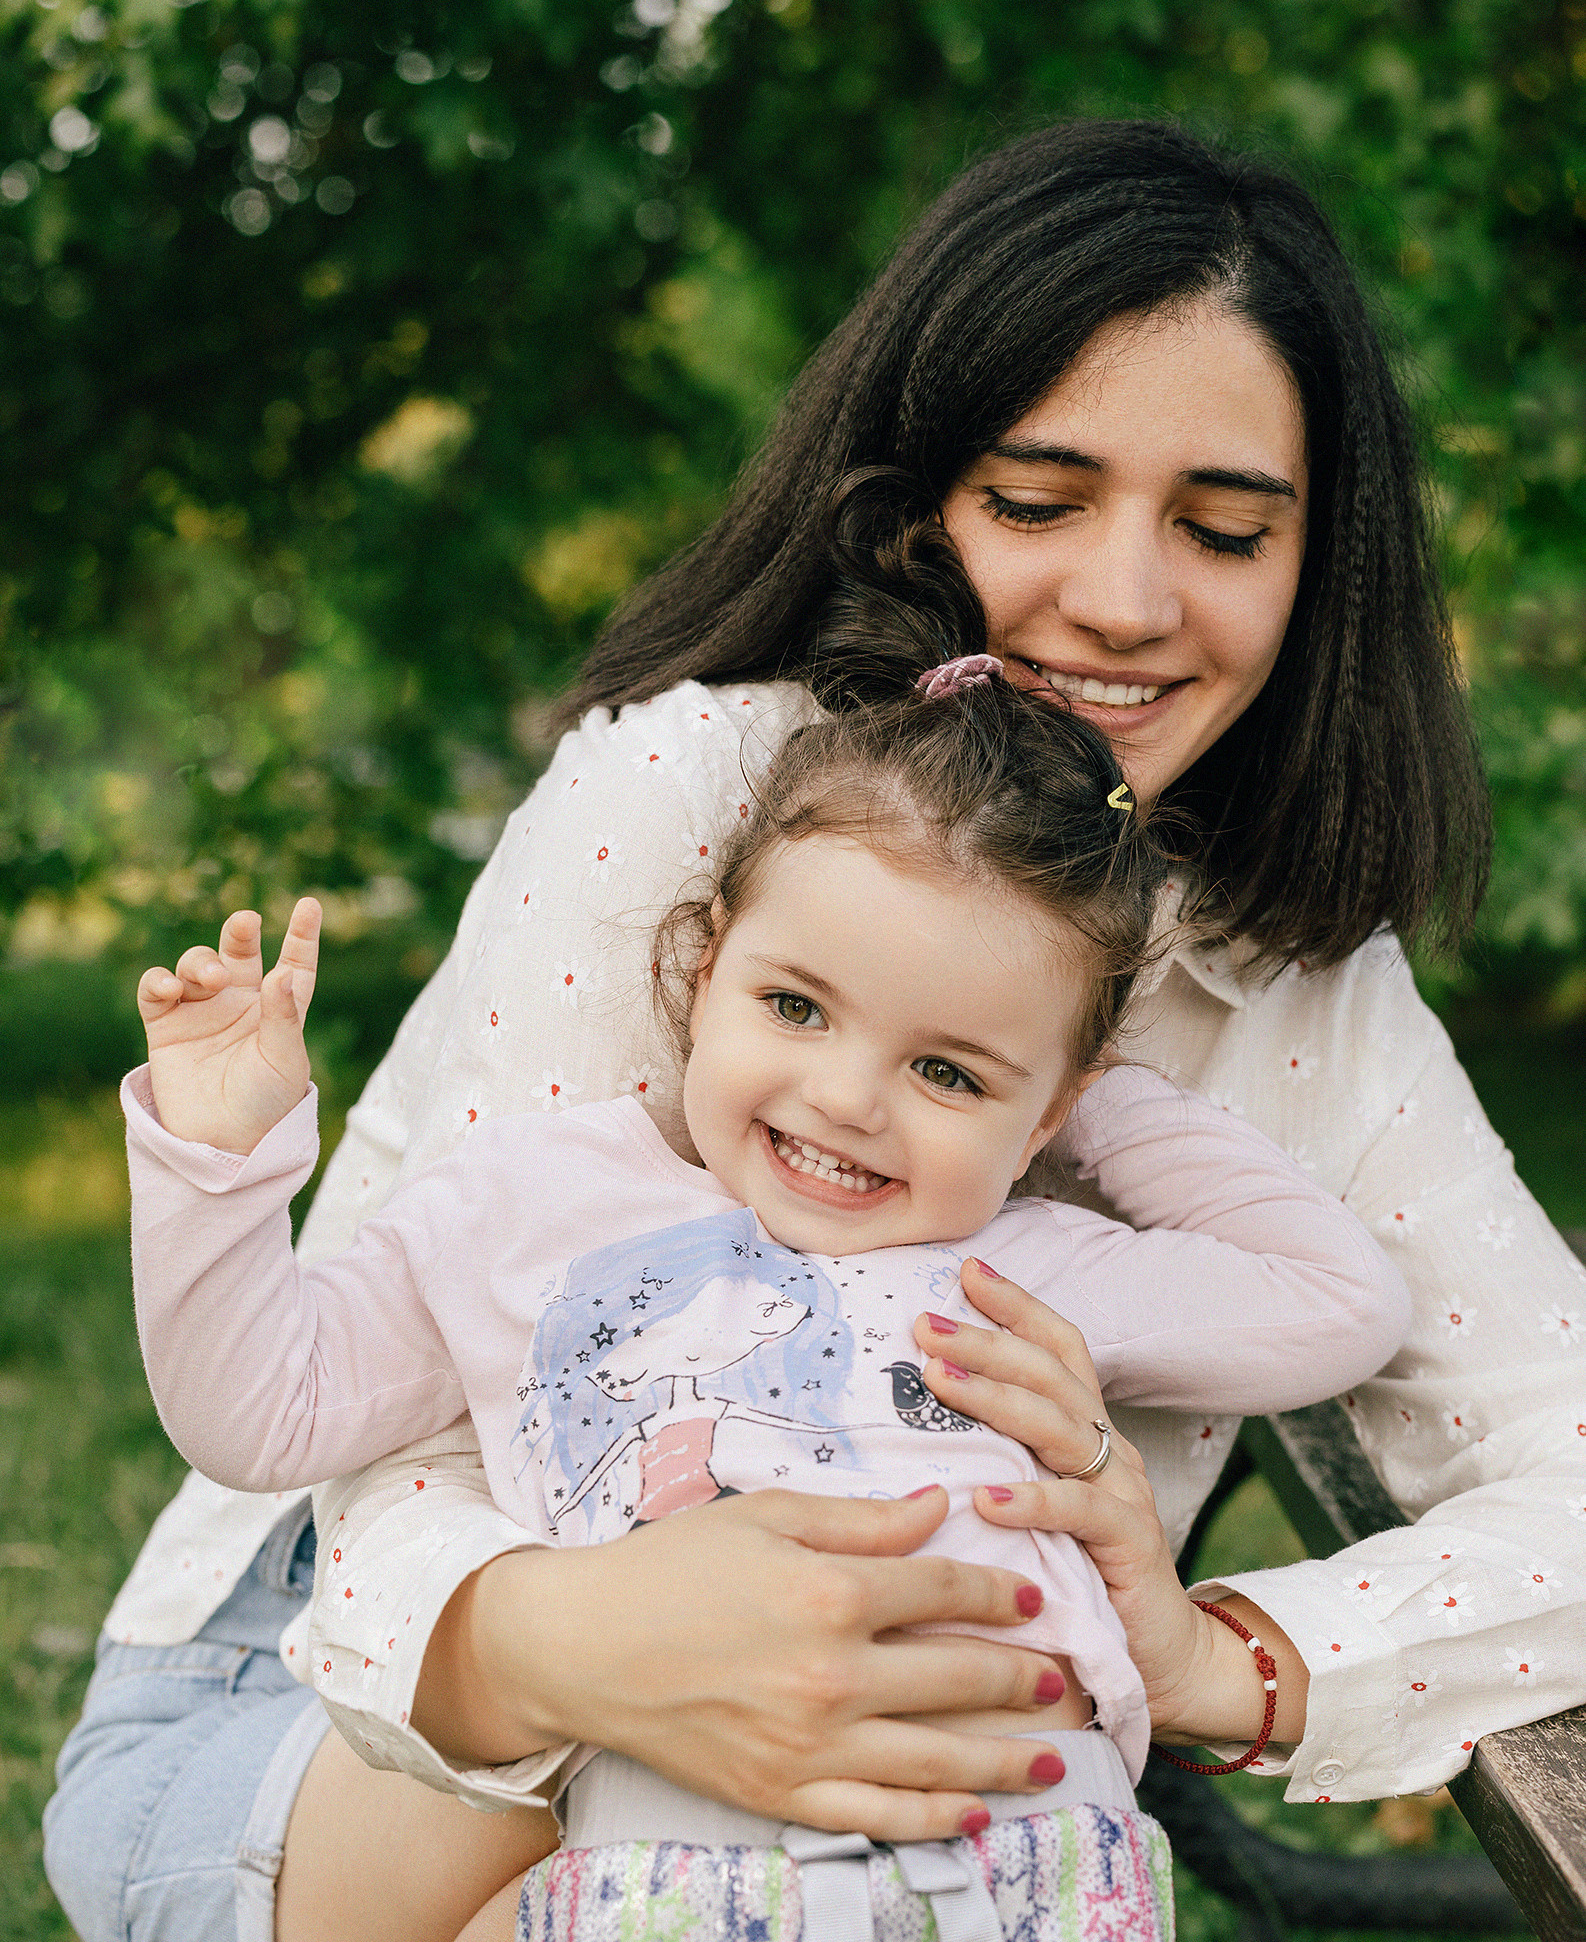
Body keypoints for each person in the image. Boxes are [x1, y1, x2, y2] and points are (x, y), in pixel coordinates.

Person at [44, 118, 1586, 1942]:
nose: (1122, 598)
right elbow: (395, 1447)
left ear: (1313, 565)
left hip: (911, 1813)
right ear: (914, 497)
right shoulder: (701, 795)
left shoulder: (1299, 976)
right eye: (1034, 500)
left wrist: (1219, 1659)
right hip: (346, 1719)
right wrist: (608, 1648)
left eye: (1224, 527)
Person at [120, 613, 1410, 1942]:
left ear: (1038, 1118)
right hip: (670, 1871)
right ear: (702, 960)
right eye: (794, 1007)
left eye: (948, 1070)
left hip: (1038, 1873)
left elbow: (1337, 1305)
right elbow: (258, 1414)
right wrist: (216, 1162)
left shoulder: (1022, 1275)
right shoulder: (531, 1210)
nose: (847, 1099)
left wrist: (1098, 1106)